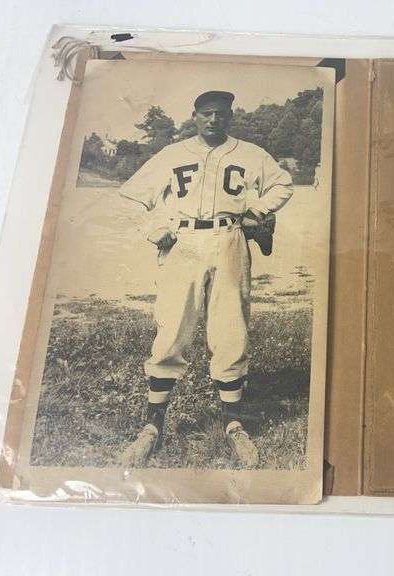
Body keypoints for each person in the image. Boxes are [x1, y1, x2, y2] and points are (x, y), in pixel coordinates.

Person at [118, 90, 294, 468]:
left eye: (222, 114)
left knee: (231, 329)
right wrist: (155, 228)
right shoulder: (173, 154)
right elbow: (133, 194)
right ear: (195, 116)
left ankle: (233, 423)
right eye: (207, 113)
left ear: (231, 117)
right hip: (183, 241)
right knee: (171, 328)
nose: (215, 120)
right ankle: (152, 425)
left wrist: (258, 209)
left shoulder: (250, 153)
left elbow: (282, 184)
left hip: (229, 238)